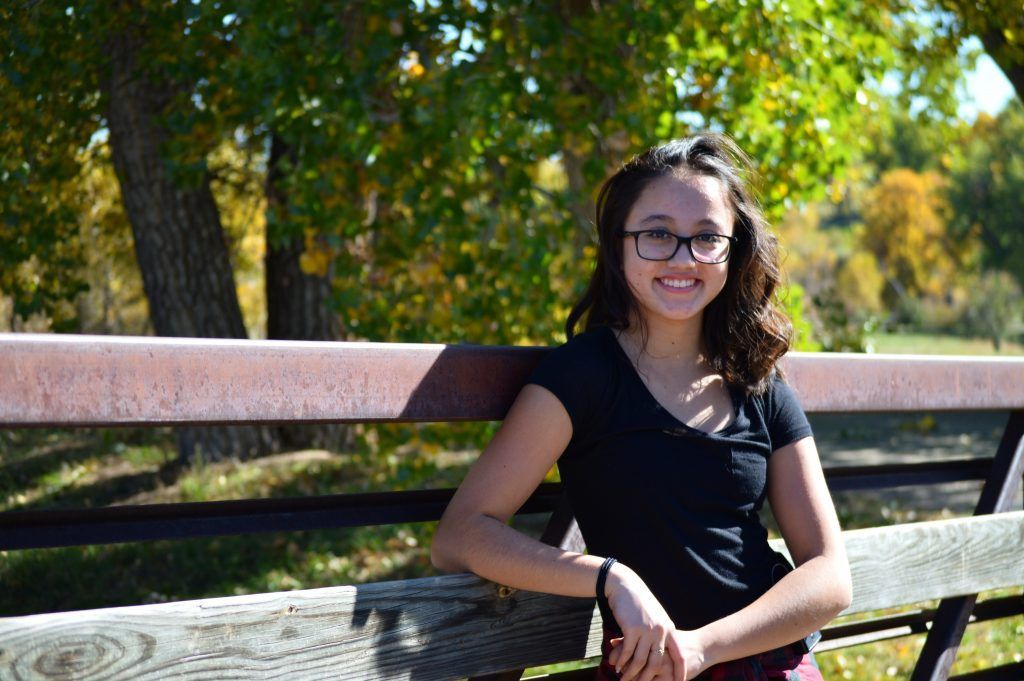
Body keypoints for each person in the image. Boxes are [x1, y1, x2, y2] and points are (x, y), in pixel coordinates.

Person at [431, 133, 851, 681]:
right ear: (619, 244)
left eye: (706, 238)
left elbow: (830, 576)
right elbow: (460, 534)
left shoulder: (759, 384)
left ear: (734, 249)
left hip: (766, 664)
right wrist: (611, 577)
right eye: (657, 234)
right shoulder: (583, 375)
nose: (683, 258)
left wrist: (704, 648)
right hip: (647, 670)